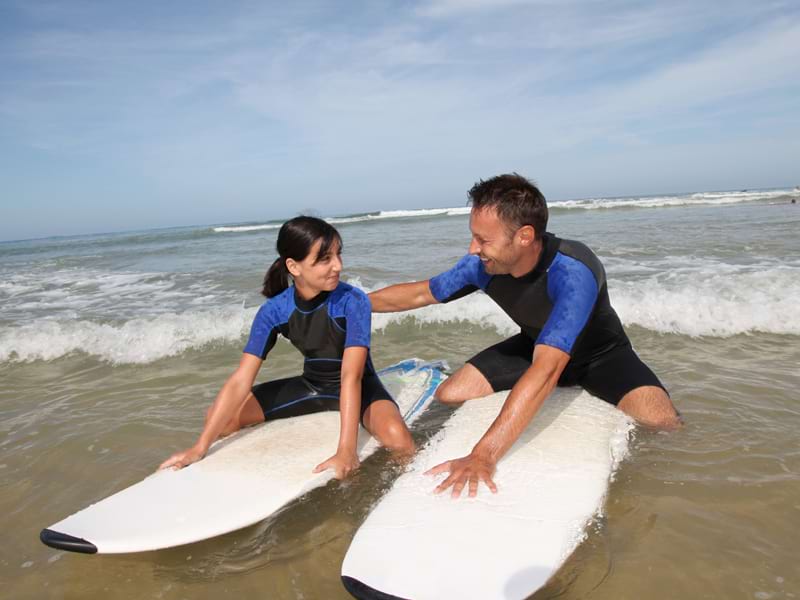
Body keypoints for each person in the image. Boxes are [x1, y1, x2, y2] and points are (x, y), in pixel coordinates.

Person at [369, 173, 680, 498]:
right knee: (450, 393)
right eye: (474, 237)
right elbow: (420, 294)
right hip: (534, 346)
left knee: (664, 424)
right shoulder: (481, 266)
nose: (473, 248)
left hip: (602, 356)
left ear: (524, 236)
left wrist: (483, 455)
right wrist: (354, 305)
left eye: (483, 240)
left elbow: (547, 369)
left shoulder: (573, 272)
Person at [160, 216, 414, 478]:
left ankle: (396, 487)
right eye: (325, 258)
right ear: (294, 266)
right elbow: (240, 380)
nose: (338, 266)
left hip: (361, 386)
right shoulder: (274, 311)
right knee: (220, 420)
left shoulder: (353, 301)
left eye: (339, 254)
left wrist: (346, 450)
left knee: (400, 441)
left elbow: (352, 376)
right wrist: (200, 447)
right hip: (313, 386)